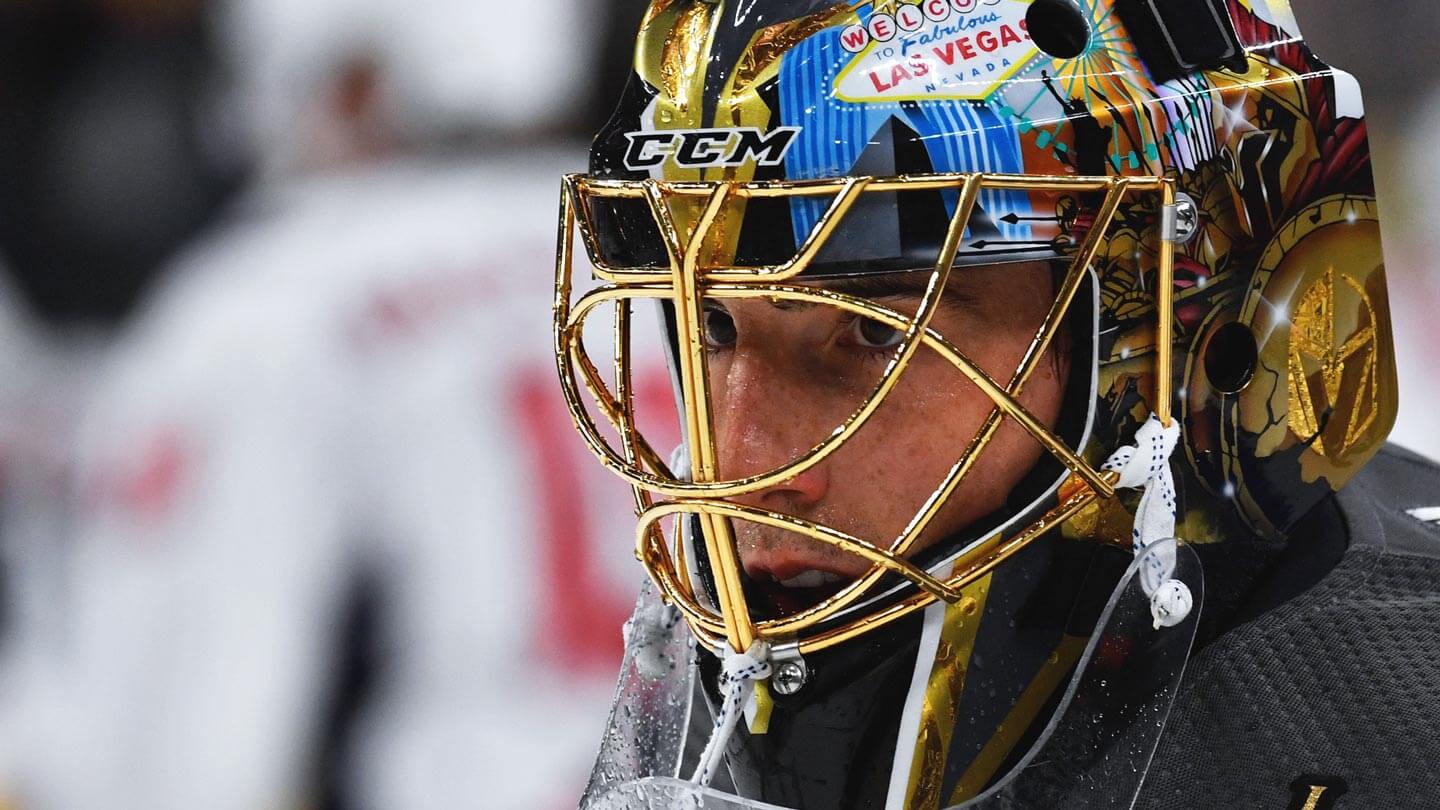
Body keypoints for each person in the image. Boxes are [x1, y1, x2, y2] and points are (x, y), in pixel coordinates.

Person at [554, 0, 1440, 807]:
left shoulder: (1393, 735)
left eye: (873, 337)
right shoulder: (739, 681)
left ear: (1192, 325)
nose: (737, 468)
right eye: (712, 325)